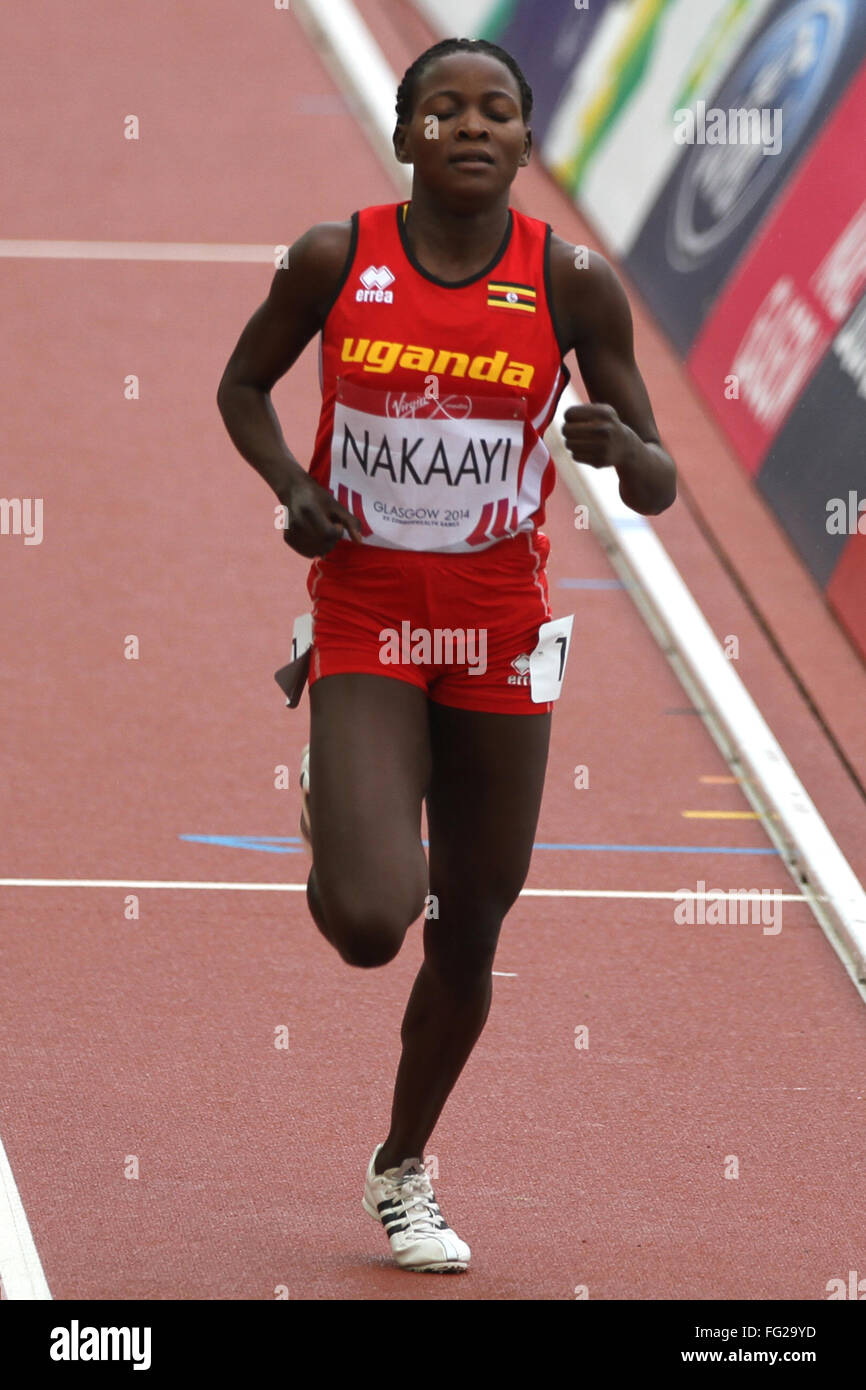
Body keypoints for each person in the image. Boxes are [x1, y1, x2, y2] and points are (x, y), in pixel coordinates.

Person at [217, 37, 676, 1274]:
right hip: (367, 614)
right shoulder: (335, 257)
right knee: (371, 917)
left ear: (528, 142)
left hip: (500, 636)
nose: (469, 127)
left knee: (467, 923)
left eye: (496, 112)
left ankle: (400, 1166)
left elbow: (658, 478)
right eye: (443, 108)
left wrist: (613, 443)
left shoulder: (573, 284)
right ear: (405, 130)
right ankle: (334, 798)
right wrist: (290, 486)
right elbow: (241, 386)